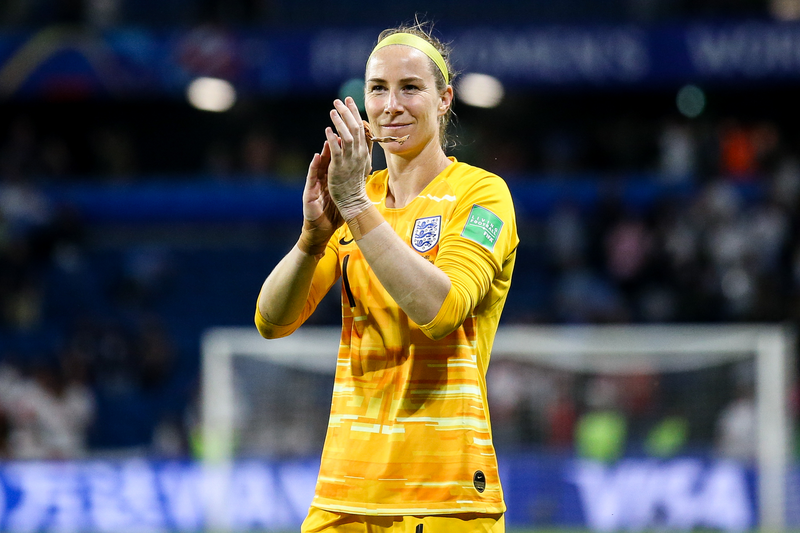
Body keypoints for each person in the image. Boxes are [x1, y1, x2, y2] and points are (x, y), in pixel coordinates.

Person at [255, 21, 518, 533]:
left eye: (410, 88)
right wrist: (312, 239)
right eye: (378, 89)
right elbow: (271, 320)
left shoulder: (481, 195)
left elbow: (441, 311)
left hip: (444, 495)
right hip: (346, 490)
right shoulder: (359, 200)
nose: (391, 105)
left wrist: (354, 206)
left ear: (444, 100)